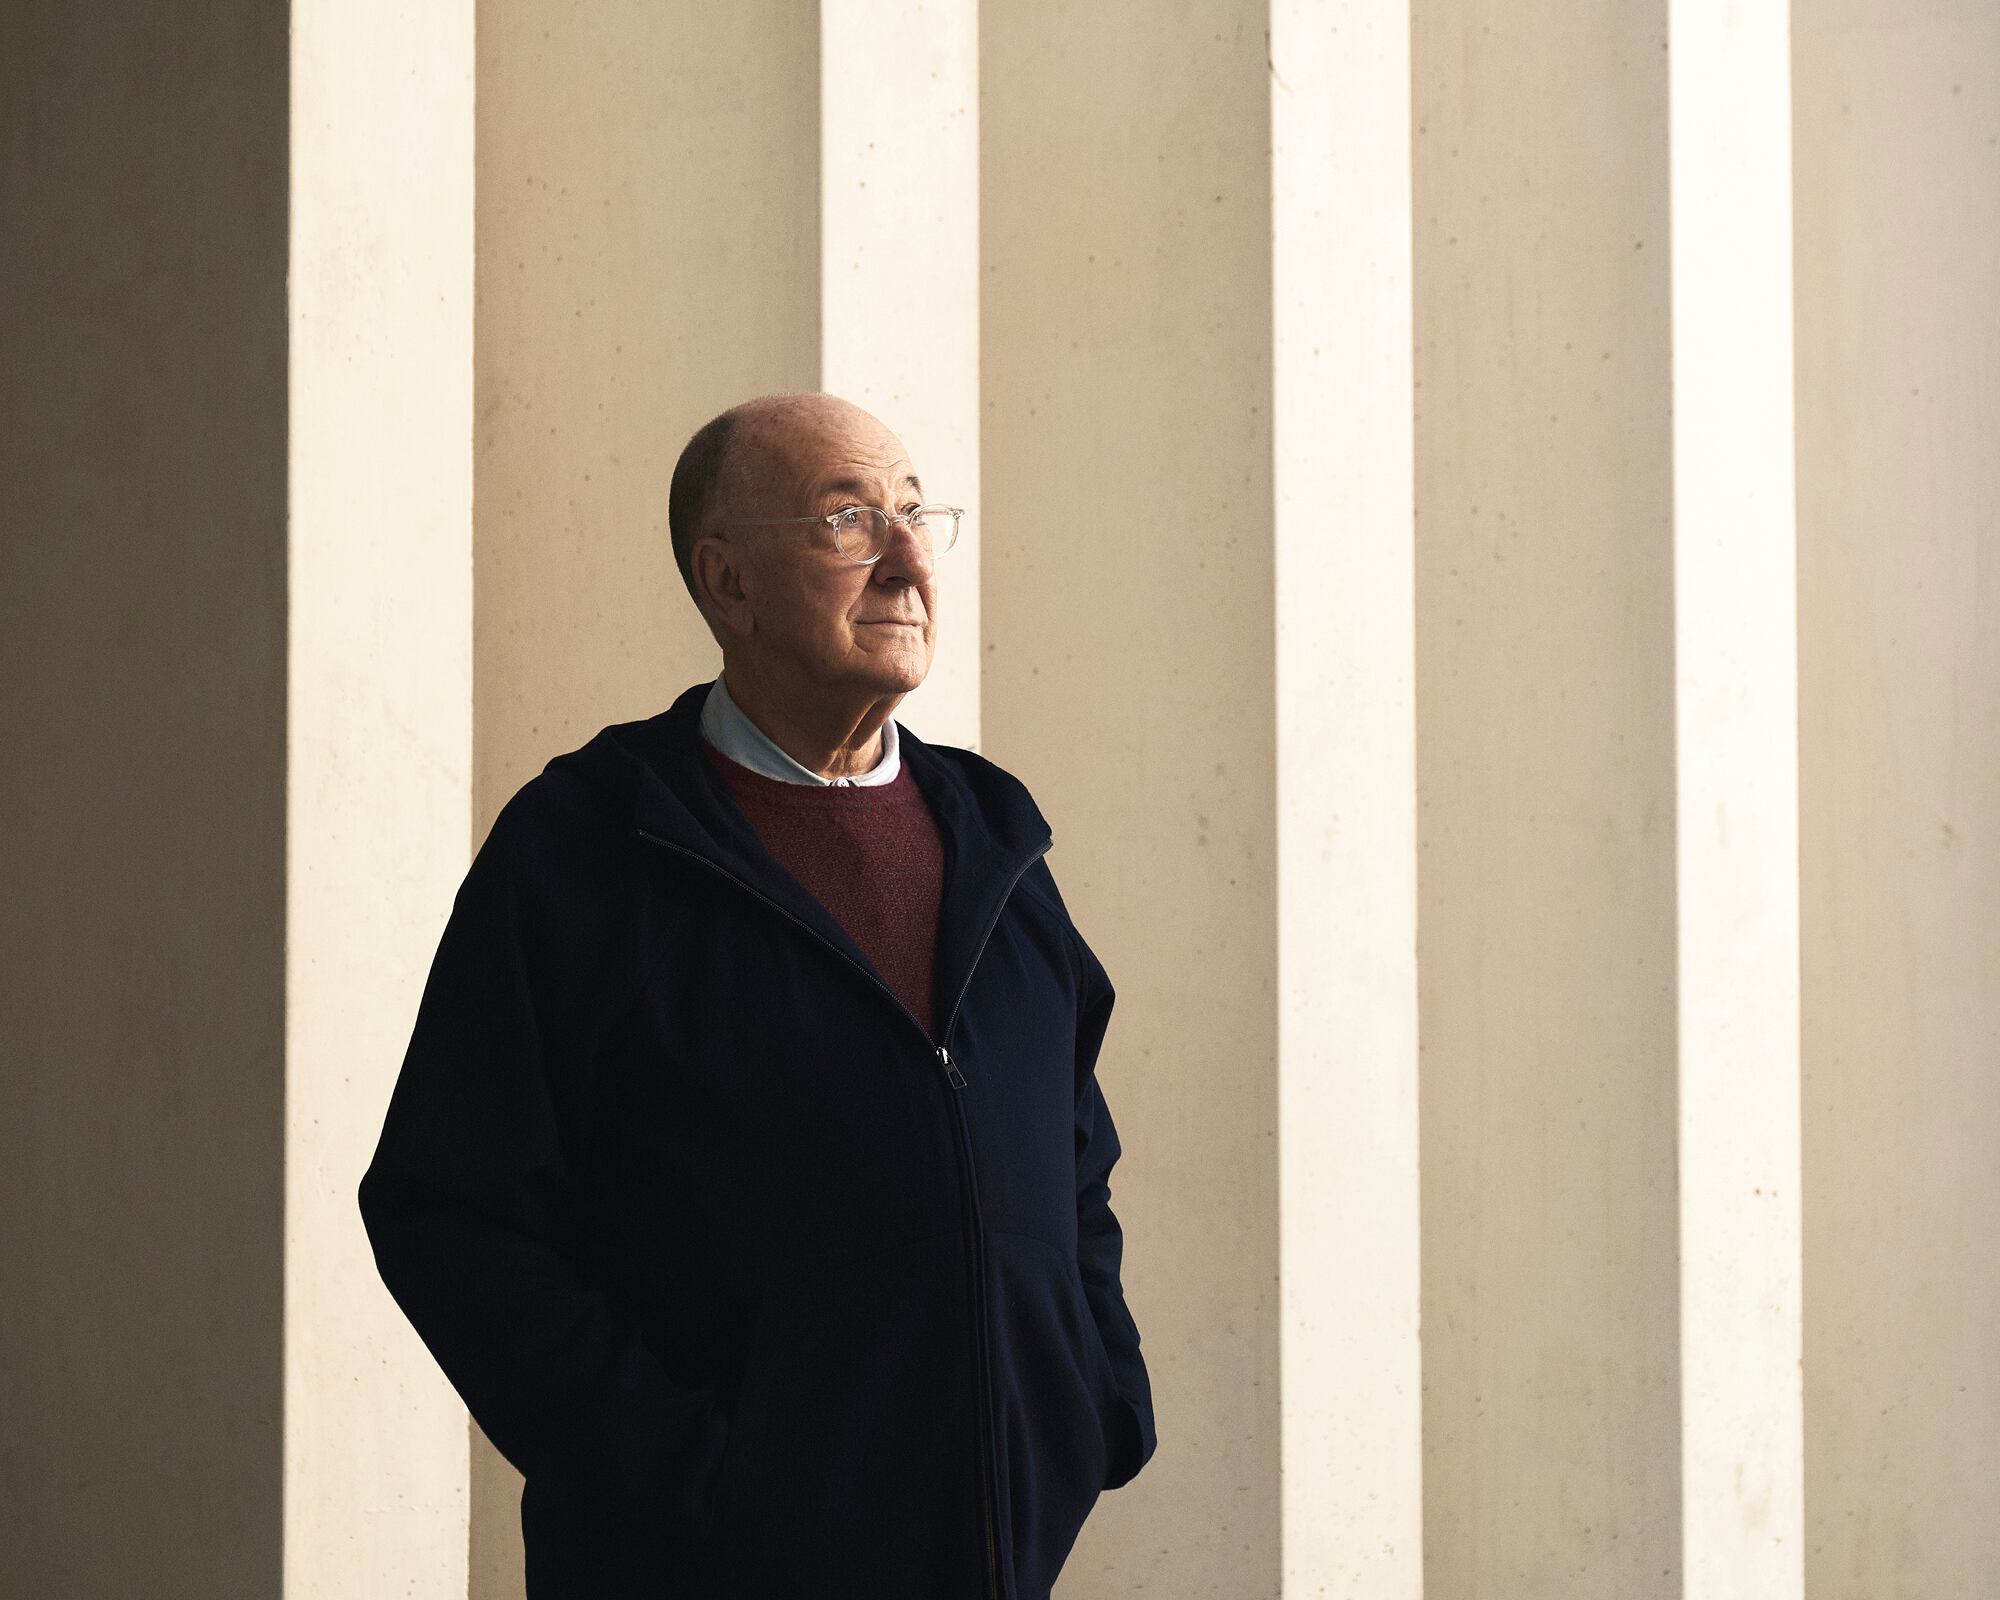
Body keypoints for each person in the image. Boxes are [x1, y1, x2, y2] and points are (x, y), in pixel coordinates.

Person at [357, 392, 1157, 1599]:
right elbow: (447, 1212)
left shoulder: (995, 841)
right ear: (725, 583)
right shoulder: (588, 848)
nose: (906, 558)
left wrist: (1090, 1394)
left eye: (912, 513)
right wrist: (687, 1478)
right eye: (847, 518)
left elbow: (1071, 1157)